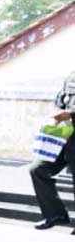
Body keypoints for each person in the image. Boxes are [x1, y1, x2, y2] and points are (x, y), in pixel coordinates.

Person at [30, 71, 75, 233]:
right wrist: (59, 113)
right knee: (38, 169)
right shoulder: (71, 76)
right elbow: (62, 99)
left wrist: (70, 114)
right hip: (66, 136)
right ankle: (55, 215)